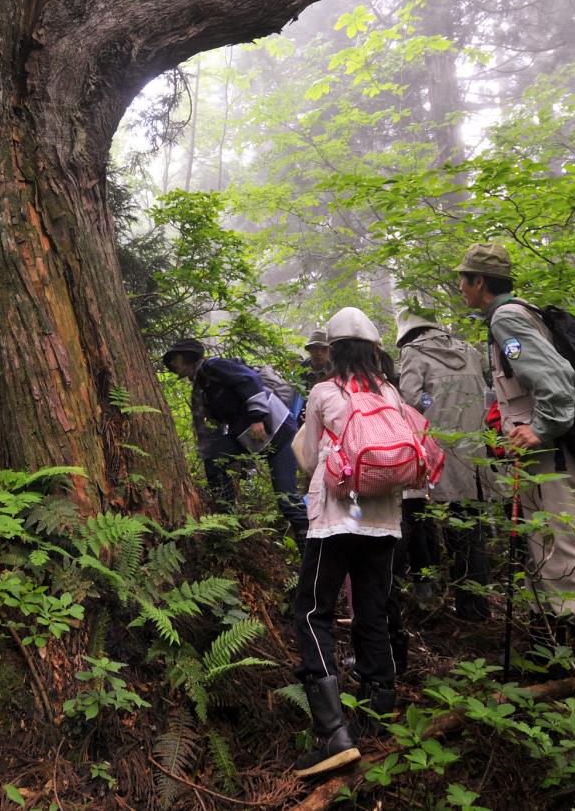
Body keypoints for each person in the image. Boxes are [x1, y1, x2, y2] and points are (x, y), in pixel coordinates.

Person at [454, 242, 575, 681]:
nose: (460, 287)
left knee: (565, 549)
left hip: (548, 455)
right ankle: (562, 654)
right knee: (543, 549)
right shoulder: (509, 318)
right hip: (537, 459)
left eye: (464, 279)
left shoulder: (507, 318)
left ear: (480, 283)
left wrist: (541, 428)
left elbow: (558, 382)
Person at [287, 307, 403, 778]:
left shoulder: (322, 392)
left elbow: (311, 458)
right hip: (383, 522)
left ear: (331, 351)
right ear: (375, 350)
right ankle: (380, 709)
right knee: (373, 609)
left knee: (311, 611)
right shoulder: (391, 393)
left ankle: (333, 732)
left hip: (336, 519)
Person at [395, 309, 494, 623]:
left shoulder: (413, 354)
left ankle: (427, 596)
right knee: (469, 531)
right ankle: (475, 609)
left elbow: (410, 399)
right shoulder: (469, 351)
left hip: (435, 453)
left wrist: (430, 401)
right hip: (475, 454)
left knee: (419, 522)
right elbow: (486, 393)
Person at [162, 338, 308, 541]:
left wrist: (257, 417)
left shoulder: (214, 366)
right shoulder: (200, 386)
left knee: (288, 501)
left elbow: (249, 380)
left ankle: (311, 550)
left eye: (174, 358)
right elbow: (212, 428)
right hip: (251, 438)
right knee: (213, 459)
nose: (171, 364)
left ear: (187, 356)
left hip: (279, 432)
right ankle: (228, 520)